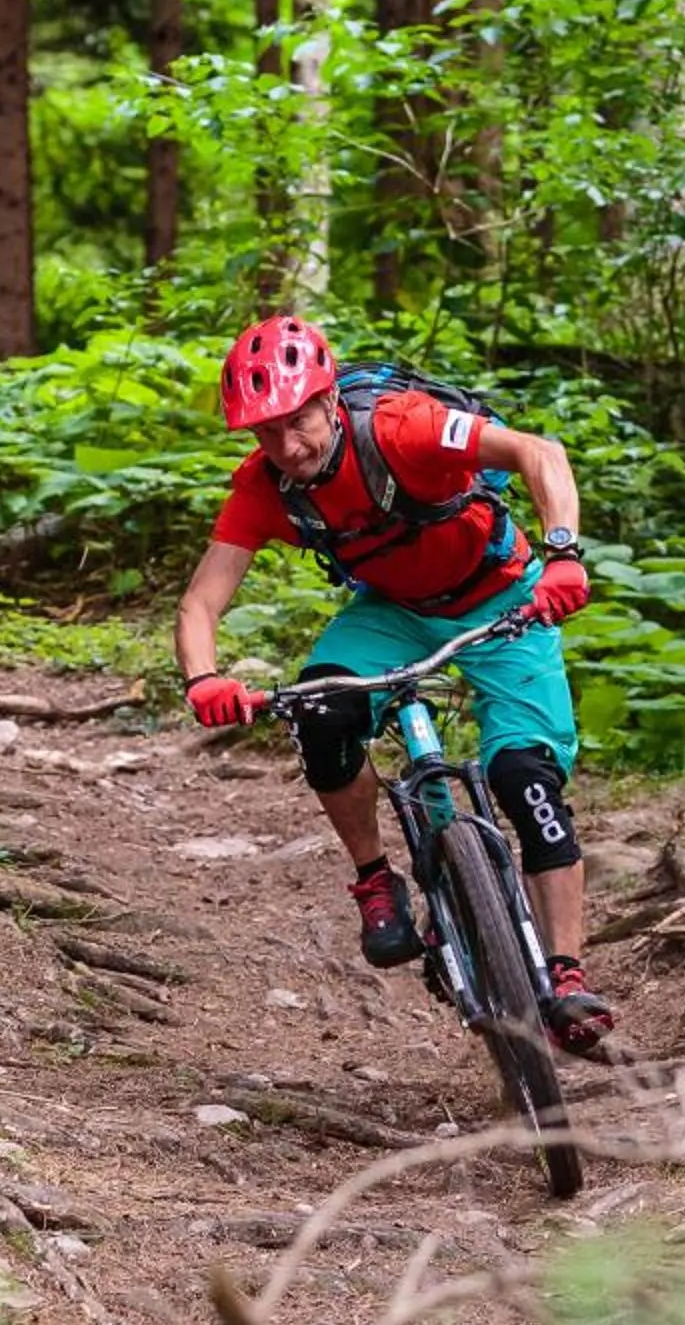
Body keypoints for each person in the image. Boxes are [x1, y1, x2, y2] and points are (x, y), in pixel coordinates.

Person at [172, 314, 615, 1057]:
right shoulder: (267, 487)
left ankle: (565, 977)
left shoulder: (405, 427)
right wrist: (205, 678)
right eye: (264, 433)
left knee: (524, 775)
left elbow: (539, 452)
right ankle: (377, 881)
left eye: (296, 422)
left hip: (504, 594)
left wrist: (563, 554)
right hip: (393, 614)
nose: (287, 447)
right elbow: (200, 602)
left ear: (329, 399)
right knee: (322, 714)